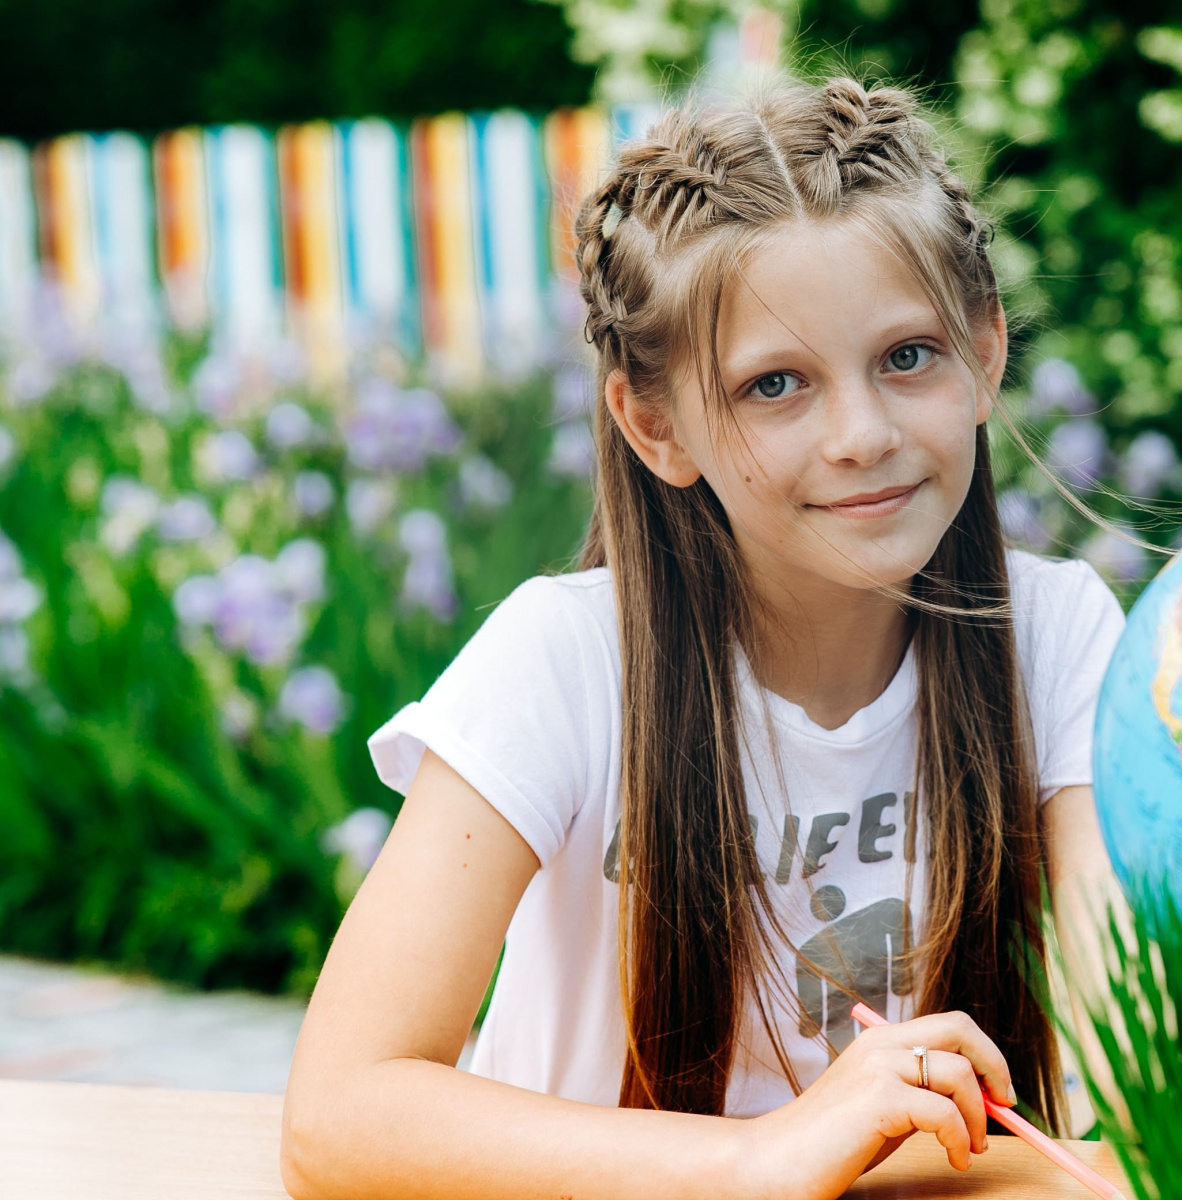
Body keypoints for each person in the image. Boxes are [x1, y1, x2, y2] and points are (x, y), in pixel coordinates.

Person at [281, 76, 1126, 1200]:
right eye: (775, 384)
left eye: (908, 356)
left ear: (985, 351)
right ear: (654, 423)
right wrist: (758, 1159)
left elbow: (1137, 1067)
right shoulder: (565, 661)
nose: (862, 434)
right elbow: (338, 1118)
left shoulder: (1057, 638)